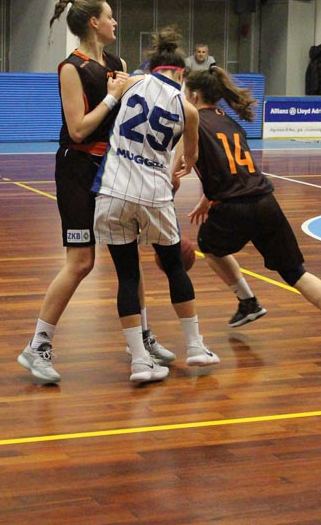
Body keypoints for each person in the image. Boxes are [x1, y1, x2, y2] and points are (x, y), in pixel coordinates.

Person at [17, 0, 173, 384]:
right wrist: (112, 95)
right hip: (78, 167)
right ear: (93, 23)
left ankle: (140, 339)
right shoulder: (71, 68)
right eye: (110, 16)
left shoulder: (117, 64)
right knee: (81, 262)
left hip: (115, 167)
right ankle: (37, 345)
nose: (115, 22)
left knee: (129, 258)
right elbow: (78, 129)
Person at [182, 65, 321, 352]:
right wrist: (207, 199)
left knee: (209, 245)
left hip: (233, 207)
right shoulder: (231, 123)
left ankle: (248, 301)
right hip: (265, 201)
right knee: (295, 272)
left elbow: (205, 160)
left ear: (193, 95)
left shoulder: (194, 121)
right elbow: (234, 168)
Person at [94, 27, 219, 383]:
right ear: (181, 74)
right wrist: (178, 169)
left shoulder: (131, 82)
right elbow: (190, 159)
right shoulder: (188, 109)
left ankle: (139, 361)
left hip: (114, 188)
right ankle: (195, 346)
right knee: (175, 268)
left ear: (153, 67)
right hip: (154, 193)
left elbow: (108, 105)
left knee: (127, 276)